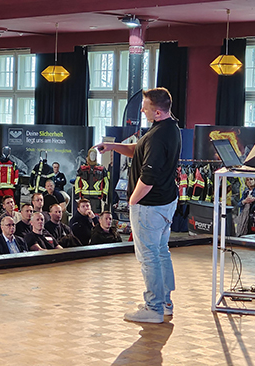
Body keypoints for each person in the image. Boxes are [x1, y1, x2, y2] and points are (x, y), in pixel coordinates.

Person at [95, 87, 181, 323]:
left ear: (157, 112)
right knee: (161, 253)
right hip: (164, 203)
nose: (141, 109)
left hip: (149, 207)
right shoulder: (169, 128)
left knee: (149, 257)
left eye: (146, 107)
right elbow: (138, 150)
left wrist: (132, 199)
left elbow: (149, 177)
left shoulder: (158, 135)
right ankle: (164, 304)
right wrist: (112, 147)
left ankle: (153, 308)